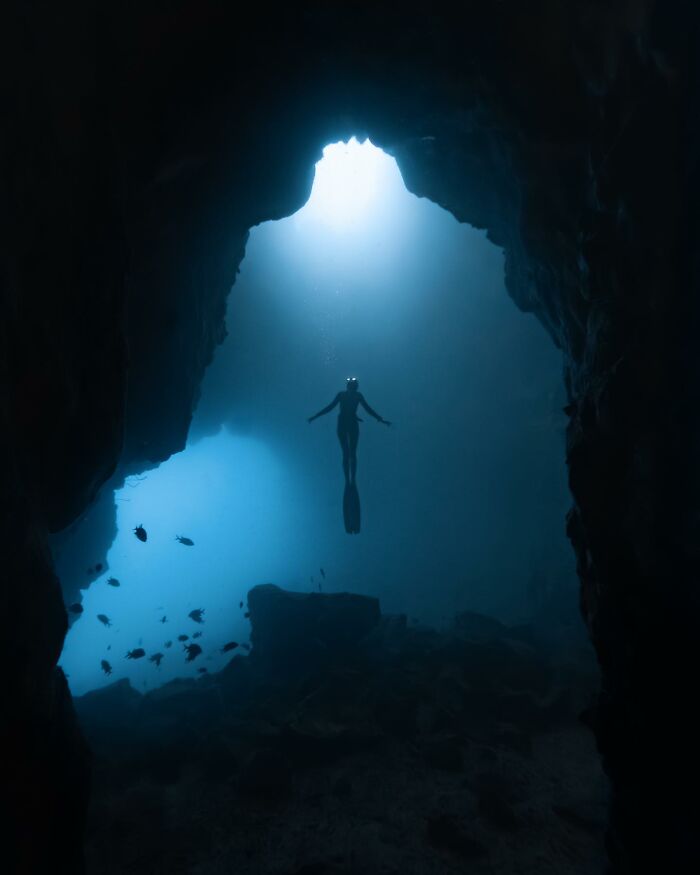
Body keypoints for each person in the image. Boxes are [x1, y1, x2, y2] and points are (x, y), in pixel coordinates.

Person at [308, 377, 391, 484]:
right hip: (345, 424)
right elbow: (330, 407)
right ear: (350, 386)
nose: (353, 388)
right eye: (353, 386)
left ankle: (351, 479)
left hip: (350, 424)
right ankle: (348, 479)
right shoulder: (346, 395)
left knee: (350, 453)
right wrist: (315, 416)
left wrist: (380, 419)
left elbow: (367, 408)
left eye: (354, 386)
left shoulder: (355, 396)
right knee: (348, 453)